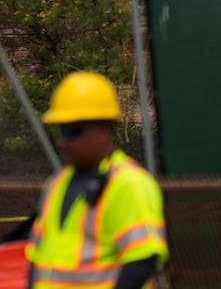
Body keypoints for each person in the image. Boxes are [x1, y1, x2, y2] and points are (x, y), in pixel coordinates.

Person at [26, 71, 169, 289]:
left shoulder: (128, 183)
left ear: (103, 130)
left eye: (73, 131)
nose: (63, 141)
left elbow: (141, 260)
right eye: (60, 130)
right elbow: (37, 256)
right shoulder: (56, 183)